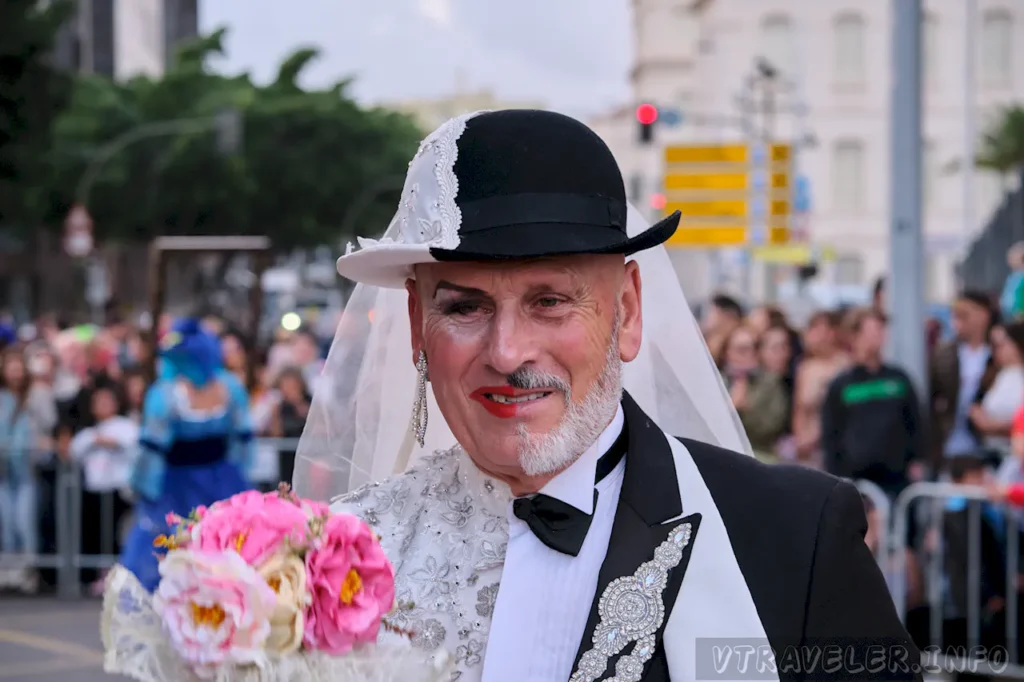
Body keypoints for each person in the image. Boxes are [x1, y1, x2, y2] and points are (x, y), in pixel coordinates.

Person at [294, 110, 919, 681]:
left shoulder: (794, 537)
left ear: (627, 310)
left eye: (550, 302)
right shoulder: (335, 558)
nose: (507, 353)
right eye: (464, 307)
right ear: (415, 324)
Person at [119, 318, 256, 592]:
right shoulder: (227, 387)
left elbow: (152, 449)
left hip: (192, 485)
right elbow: (243, 443)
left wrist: (140, 486)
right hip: (207, 483)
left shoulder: (165, 394)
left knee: (201, 552)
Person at [820, 308, 924, 498]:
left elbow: (915, 421)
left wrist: (916, 460)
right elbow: (831, 432)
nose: (879, 337)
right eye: (872, 331)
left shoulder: (898, 379)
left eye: (881, 330)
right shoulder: (842, 385)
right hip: (855, 479)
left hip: (896, 479)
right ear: (855, 336)